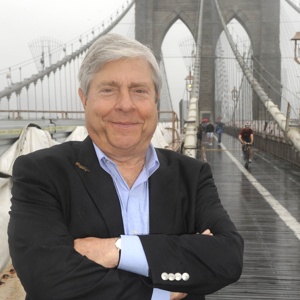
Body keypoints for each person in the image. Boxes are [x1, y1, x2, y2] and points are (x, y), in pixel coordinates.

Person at [8, 33, 243, 300]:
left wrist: (118, 250)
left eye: (139, 90)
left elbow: (228, 258)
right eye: (108, 89)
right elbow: (47, 278)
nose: (125, 105)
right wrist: (162, 292)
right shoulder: (41, 173)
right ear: (84, 99)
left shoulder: (192, 174)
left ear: (156, 101)